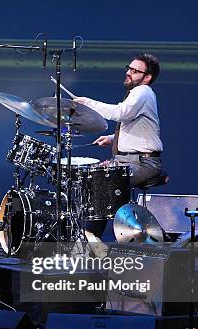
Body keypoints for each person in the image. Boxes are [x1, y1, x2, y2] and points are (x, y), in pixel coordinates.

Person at [73, 53, 162, 239]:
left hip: (143, 164)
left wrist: (88, 103)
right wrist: (113, 139)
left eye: (135, 71)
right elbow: (139, 128)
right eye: (129, 68)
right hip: (127, 160)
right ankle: (91, 235)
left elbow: (121, 113)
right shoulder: (137, 94)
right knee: (94, 174)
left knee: (105, 179)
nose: (129, 73)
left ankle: (91, 235)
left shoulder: (143, 92)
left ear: (147, 78)